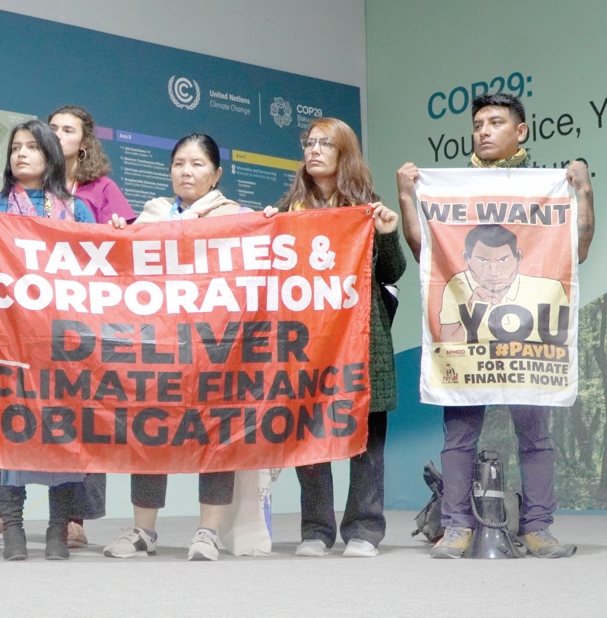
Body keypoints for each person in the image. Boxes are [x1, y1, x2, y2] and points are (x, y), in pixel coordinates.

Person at [397, 93, 594, 559]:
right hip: (468, 339)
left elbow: (577, 250)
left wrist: (583, 191)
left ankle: (538, 527)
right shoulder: (451, 188)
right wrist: (407, 195)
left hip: (529, 336)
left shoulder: (549, 183)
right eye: (478, 123)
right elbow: (426, 254)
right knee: (460, 434)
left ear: (520, 131)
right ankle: (456, 527)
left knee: (536, 434)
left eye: (495, 122)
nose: (483, 130)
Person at [0, 119, 95, 560]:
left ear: (50, 154)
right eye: (15, 148)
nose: (22, 154)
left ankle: (57, 530)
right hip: (9, 343)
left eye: (32, 147)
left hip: (64, 345)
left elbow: (100, 275)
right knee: (8, 429)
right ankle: (11, 526)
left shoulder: (77, 210)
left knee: (64, 436)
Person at [104, 133, 253, 561]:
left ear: (217, 173)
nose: (187, 172)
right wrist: (118, 234)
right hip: (160, 344)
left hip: (213, 344)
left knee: (215, 431)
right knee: (151, 428)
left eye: (198, 164)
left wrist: (271, 224)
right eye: (178, 164)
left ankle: (208, 532)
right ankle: (143, 531)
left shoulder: (236, 217)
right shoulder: (151, 213)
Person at [262, 118, 404, 558]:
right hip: (307, 343)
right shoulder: (286, 211)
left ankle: (364, 529)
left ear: (345, 153)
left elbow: (392, 273)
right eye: (309, 143)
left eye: (326, 143)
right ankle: (316, 531)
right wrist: (265, 231)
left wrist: (388, 235)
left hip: (363, 343)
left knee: (367, 441)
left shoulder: (368, 208)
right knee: (308, 437)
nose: (315, 150)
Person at [437, 224, 568, 344]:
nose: (494, 272)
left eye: (503, 260)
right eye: (482, 260)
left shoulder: (548, 289)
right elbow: (447, 349)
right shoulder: (458, 284)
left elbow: (560, 349)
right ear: (466, 258)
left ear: (518, 257)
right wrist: (474, 312)